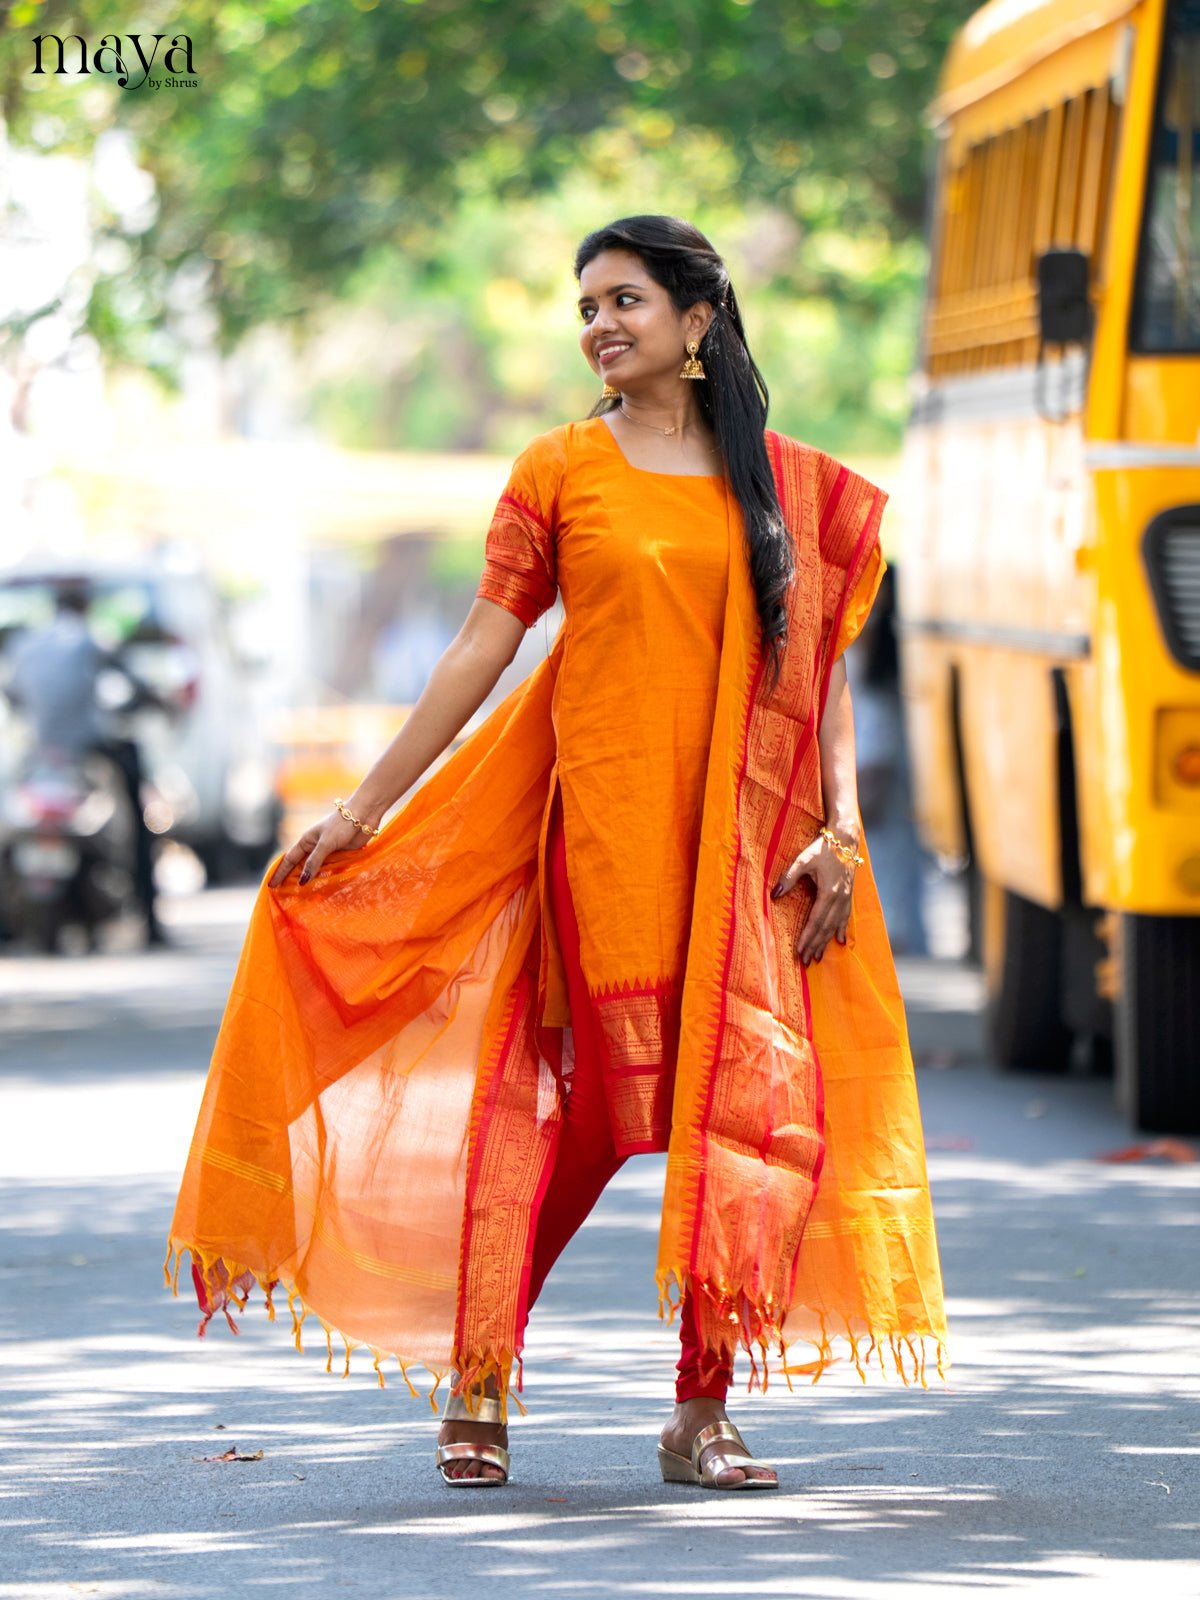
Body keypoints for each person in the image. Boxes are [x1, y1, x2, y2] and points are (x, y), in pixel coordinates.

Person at [168, 216, 946, 1492]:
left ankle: (703, 1410)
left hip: (751, 851)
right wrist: (364, 809)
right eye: (587, 305)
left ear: (699, 320)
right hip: (610, 840)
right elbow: (481, 650)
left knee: (742, 1121)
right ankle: (481, 1368)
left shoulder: (788, 485)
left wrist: (841, 825)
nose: (599, 323)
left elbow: (822, 670)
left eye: (625, 299)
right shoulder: (561, 469)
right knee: (588, 1117)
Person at [6, 584, 166, 945]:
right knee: (139, 816)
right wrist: (152, 698)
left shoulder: (26, 644)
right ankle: (150, 920)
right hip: (88, 748)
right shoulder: (89, 639)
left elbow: (14, 694)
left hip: (41, 751)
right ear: (84, 606)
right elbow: (134, 683)